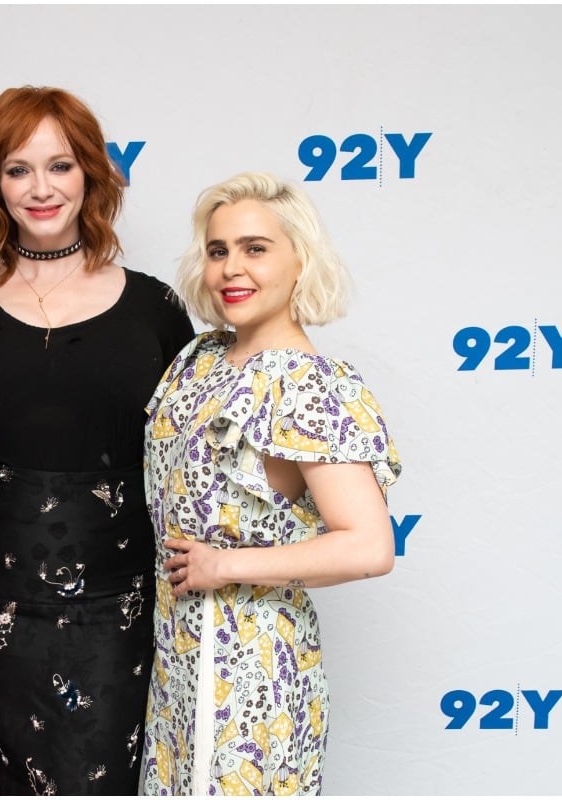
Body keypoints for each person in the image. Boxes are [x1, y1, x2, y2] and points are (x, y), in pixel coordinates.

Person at [0, 86, 195, 795]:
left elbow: (193, 461)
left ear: (92, 175)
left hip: (120, 606)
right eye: (18, 169)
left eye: (60, 166)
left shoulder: (155, 309)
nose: (40, 189)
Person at [141, 171, 401, 795]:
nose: (233, 268)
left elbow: (369, 546)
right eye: (218, 250)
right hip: (176, 655)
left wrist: (226, 565)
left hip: (252, 664)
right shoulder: (197, 359)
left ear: (299, 262)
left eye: (256, 248)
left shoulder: (309, 386)